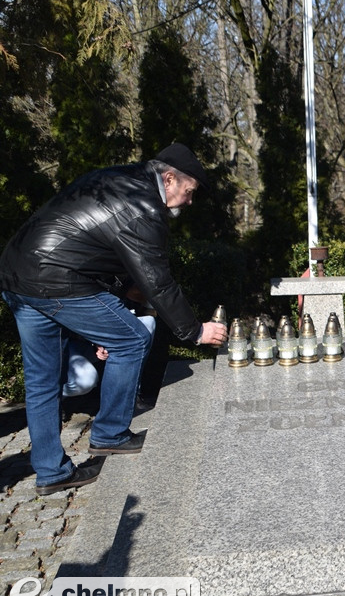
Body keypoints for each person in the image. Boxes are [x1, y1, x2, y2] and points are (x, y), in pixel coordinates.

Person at [0, 143, 229, 496]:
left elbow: (92, 251)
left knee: (43, 382)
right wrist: (196, 331)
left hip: (17, 276)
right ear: (169, 179)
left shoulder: (117, 177)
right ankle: (111, 434)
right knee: (133, 339)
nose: (189, 201)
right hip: (55, 280)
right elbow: (157, 282)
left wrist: (101, 327)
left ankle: (52, 472)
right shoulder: (143, 206)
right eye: (190, 191)